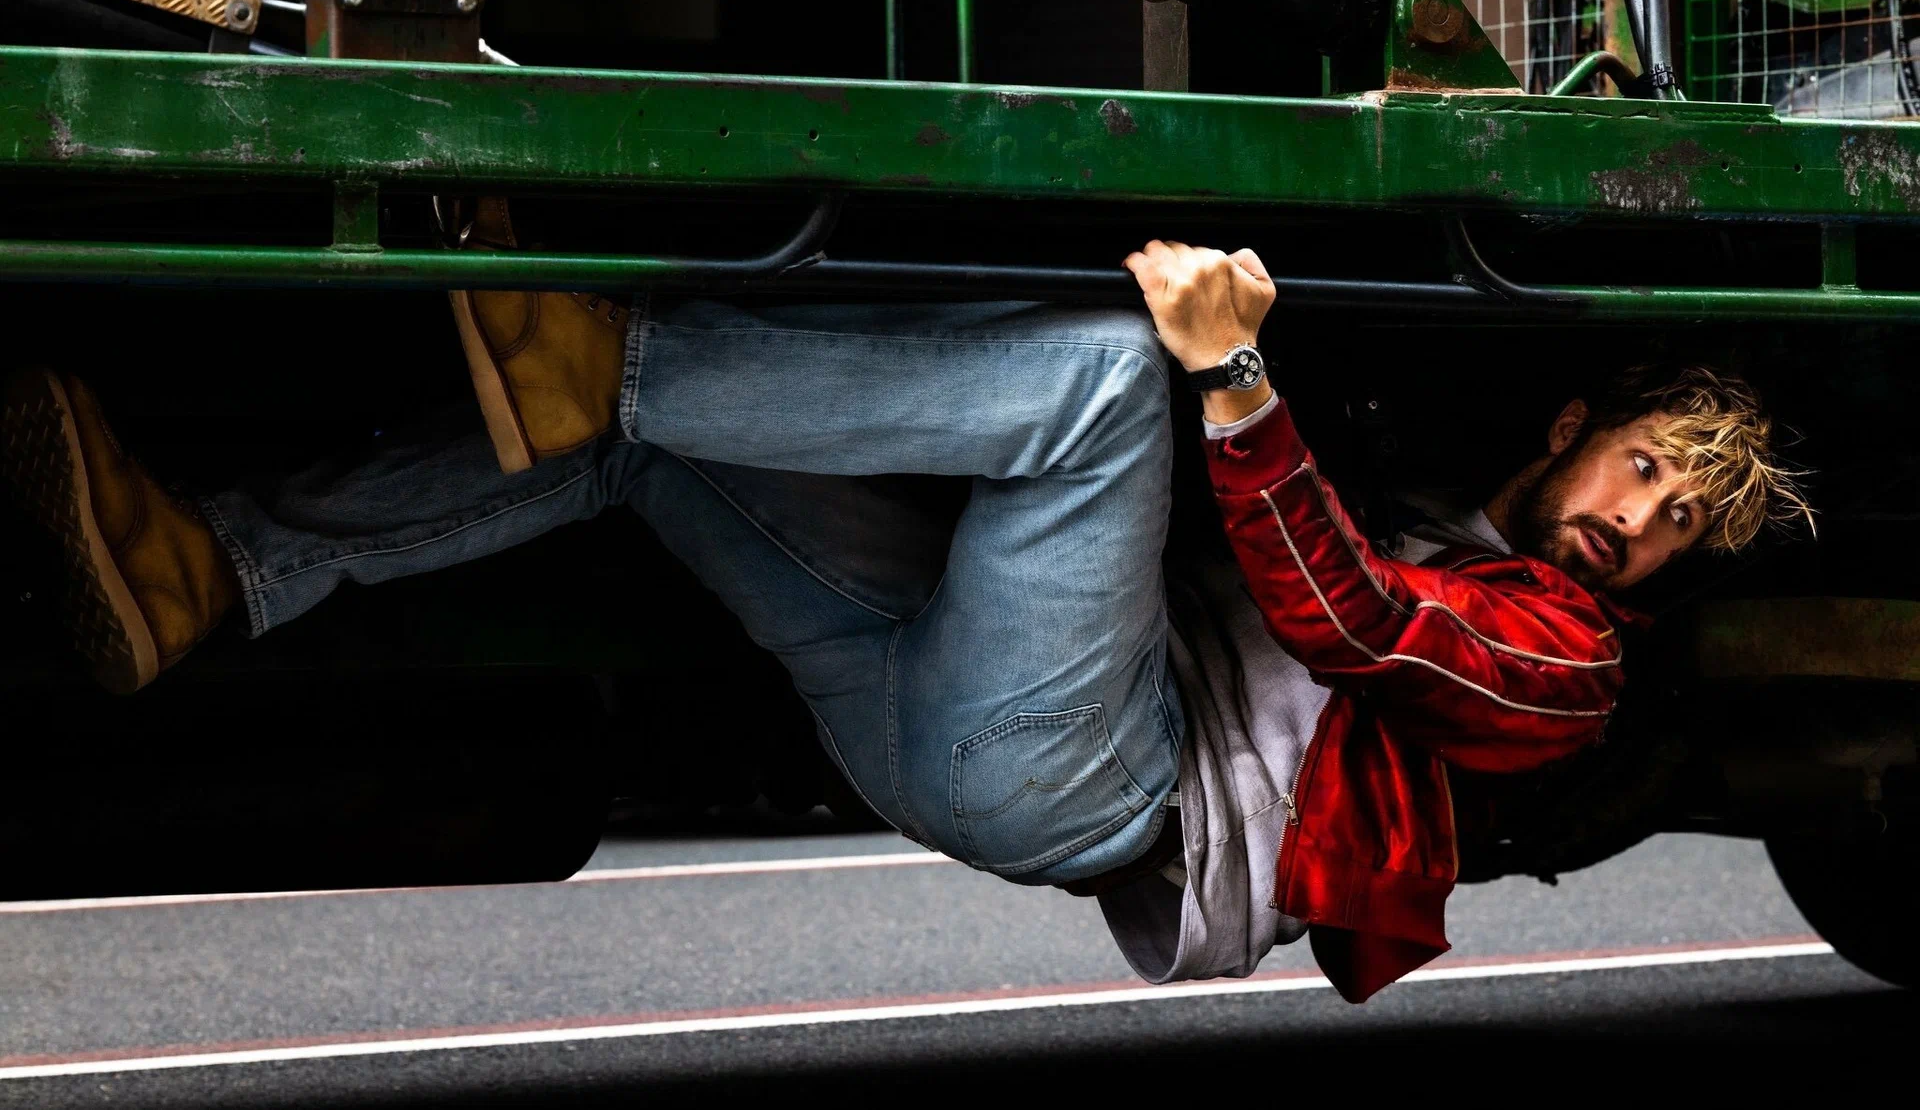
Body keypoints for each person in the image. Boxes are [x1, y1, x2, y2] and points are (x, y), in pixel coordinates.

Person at [0, 231, 1811, 1001]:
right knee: (643, 451)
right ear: (1579, 431)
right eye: (1648, 469)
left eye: (1676, 532)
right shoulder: (1445, 506)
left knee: (1121, 380)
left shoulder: (1564, 663)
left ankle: (611, 361)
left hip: (1094, 778)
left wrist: (1233, 380)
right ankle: (214, 572)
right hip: (952, 709)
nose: (1635, 527)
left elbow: (1344, 619)